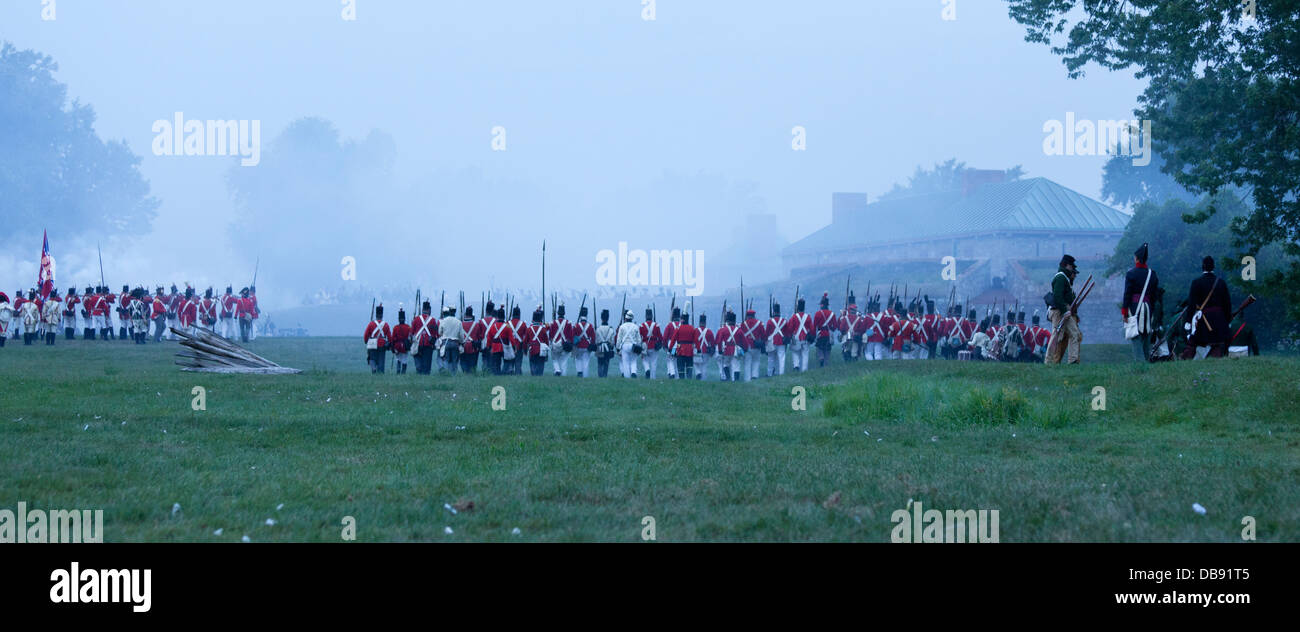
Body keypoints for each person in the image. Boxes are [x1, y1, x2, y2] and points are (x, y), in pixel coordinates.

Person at [1182, 256, 1233, 359]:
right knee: (1217, 343)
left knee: (1194, 342)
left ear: (1203, 267)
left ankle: (1186, 358)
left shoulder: (1196, 282)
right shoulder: (1221, 283)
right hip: (1219, 319)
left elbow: (1191, 304)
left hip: (1204, 318)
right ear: (1213, 267)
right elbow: (1227, 304)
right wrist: (1228, 320)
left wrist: (1188, 321)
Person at [1122, 242, 1160, 362]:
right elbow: (1154, 295)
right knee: (1145, 335)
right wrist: (1152, 310)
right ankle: (1146, 361)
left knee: (1135, 335)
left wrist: (1124, 311)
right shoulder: (1152, 274)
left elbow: (1127, 294)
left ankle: (1141, 363)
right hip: (1148, 307)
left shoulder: (1131, 273)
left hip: (1134, 306)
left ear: (1137, 258)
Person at [1044, 254, 1082, 364]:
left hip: (1065, 310)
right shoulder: (1060, 277)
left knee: (1075, 334)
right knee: (1057, 336)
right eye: (1071, 266)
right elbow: (1057, 296)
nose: (1072, 268)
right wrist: (1065, 311)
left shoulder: (1064, 278)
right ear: (1066, 265)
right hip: (1059, 311)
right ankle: (1049, 360)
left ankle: (1073, 361)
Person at [783, 298, 812, 372]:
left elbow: (789, 328)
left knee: (795, 352)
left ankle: (796, 366)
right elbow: (811, 328)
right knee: (805, 354)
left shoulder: (794, 317)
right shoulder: (808, 316)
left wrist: (789, 335)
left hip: (796, 338)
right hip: (805, 338)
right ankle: (804, 369)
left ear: (797, 308)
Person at [715, 310, 745, 381]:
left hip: (726, 349)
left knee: (726, 364)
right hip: (736, 349)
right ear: (734, 321)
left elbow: (719, 341)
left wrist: (719, 350)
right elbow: (744, 341)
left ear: (727, 321)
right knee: (736, 365)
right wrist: (745, 349)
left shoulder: (722, 330)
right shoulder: (739, 330)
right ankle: (736, 380)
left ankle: (728, 378)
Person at [410, 301, 437, 375]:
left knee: (419, 364)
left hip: (418, 344)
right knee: (427, 366)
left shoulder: (416, 319)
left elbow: (411, 333)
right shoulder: (433, 320)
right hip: (428, 344)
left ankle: (419, 374)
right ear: (429, 310)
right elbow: (435, 334)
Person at [363, 304, 392, 373]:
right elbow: (389, 337)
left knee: (372, 359)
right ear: (382, 315)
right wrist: (389, 344)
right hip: (382, 345)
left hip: (372, 344)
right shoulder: (386, 324)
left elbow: (366, 335)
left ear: (376, 315)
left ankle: (373, 368)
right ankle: (380, 373)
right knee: (381, 362)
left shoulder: (371, 324)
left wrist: (366, 341)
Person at [522, 307, 551, 376]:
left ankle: (534, 375)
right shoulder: (543, 329)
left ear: (533, 319)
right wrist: (546, 350)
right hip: (542, 349)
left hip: (532, 349)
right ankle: (539, 376)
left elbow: (525, 341)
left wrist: (525, 351)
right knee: (540, 364)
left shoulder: (529, 329)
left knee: (533, 363)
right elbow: (546, 341)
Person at [811, 293, 837, 368]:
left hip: (820, 334)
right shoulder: (832, 314)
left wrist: (814, 335)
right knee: (828, 349)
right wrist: (831, 330)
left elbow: (814, 326)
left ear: (822, 305)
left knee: (819, 348)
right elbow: (835, 326)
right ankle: (826, 363)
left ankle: (821, 358)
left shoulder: (817, 313)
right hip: (828, 334)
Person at [615, 310, 643, 378]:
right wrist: (638, 347)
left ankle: (627, 376)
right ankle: (633, 372)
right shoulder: (635, 327)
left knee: (625, 363)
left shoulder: (622, 327)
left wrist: (618, 348)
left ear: (625, 318)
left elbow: (619, 339)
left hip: (624, 346)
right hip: (633, 346)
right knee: (633, 361)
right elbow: (638, 339)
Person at [549, 303, 574, 376]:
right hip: (564, 344)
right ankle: (563, 374)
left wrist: (551, 342)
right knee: (564, 361)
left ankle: (557, 370)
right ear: (564, 313)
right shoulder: (568, 323)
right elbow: (571, 336)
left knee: (555, 359)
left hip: (555, 344)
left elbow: (550, 335)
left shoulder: (553, 323)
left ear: (558, 313)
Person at [438, 307, 465, 374]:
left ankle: (447, 374)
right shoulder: (458, 322)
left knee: (446, 360)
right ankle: (453, 375)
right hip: (455, 343)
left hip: (445, 343)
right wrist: (461, 342)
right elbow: (461, 336)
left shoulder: (443, 320)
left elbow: (439, 332)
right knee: (454, 361)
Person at [672, 310, 697, 379]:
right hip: (689, 349)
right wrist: (698, 349)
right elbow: (696, 340)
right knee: (689, 365)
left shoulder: (678, 328)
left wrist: (671, 351)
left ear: (682, 320)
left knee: (680, 365)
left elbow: (673, 341)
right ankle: (689, 378)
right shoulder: (692, 328)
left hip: (680, 348)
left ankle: (682, 378)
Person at [741, 308, 764, 380]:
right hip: (756, 345)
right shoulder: (759, 323)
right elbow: (763, 335)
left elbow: (741, 335)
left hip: (747, 346)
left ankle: (747, 379)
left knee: (747, 363)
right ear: (754, 315)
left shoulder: (743, 324)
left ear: (747, 315)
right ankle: (755, 376)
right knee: (756, 361)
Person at [572, 306, 595, 377]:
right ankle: (585, 375)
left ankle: (579, 372)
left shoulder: (576, 325)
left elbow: (573, 335)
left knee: (578, 359)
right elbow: (593, 337)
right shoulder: (590, 326)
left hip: (578, 345)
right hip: (587, 346)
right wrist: (592, 344)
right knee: (586, 361)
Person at [765, 302, 787, 375]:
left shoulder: (769, 321)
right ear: (779, 311)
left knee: (770, 359)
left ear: (773, 312)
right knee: (781, 359)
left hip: (772, 342)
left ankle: (769, 374)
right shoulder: (784, 321)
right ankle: (781, 373)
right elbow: (787, 332)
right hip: (781, 342)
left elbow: (767, 333)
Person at [593, 309, 617, 378]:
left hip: (599, 348)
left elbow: (596, 340)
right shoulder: (611, 329)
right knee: (606, 364)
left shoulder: (598, 329)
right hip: (608, 348)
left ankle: (600, 377)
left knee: (600, 364)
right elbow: (612, 341)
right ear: (608, 318)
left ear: (601, 318)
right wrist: (611, 346)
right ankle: (604, 376)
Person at [639, 308, 661, 379]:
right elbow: (660, 337)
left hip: (645, 346)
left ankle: (647, 369)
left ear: (646, 316)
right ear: (652, 316)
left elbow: (640, 337)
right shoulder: (656, 325)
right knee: (654, 363)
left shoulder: (642, 325)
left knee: (645, 361)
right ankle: (653, 377)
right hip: (654, 346)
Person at [390, 306, 412, 374]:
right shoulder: (408, 327)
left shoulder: (395, 328)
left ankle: (398, 371)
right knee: (404, 359)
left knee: (398, 359)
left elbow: (393, 338)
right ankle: (403, 372)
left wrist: (392, 347)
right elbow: (409, 337)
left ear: (399, 319)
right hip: (405, 346)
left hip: (397, 346)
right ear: (404, 319)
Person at [693, 314, 714, 380]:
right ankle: (703, 379)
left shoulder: (695, 330)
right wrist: (712, 352)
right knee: (704, 366)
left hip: (696, 351)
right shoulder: (709, 331)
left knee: (695, 364)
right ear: (705, 323)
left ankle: (698, 373)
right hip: (705, 351)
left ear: (699, 322)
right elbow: (712, 343)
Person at [662, 307, 680, 379]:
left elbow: (665, 337)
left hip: (672, 346)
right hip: (679, 345)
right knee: (677, 360)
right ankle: (676, 376)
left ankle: (672, 373)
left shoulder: (669, 325)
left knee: (671, 360)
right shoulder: (682, 325)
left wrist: (665, 346)